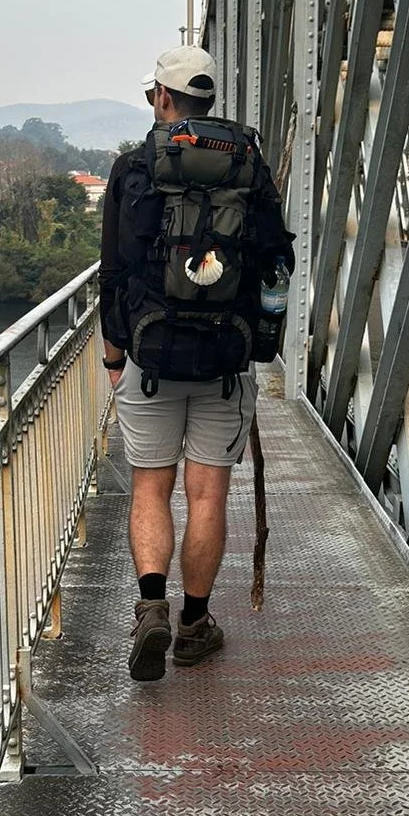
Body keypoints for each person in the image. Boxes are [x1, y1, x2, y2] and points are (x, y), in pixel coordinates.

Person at [99, 45, 293, 681]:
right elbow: (276, 262)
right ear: (208, 101)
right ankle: (193, 625)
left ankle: (151, 606)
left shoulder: (134, 168)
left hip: (149, 357)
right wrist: (265, 339)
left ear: (160, 97)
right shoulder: (249, 165)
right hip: (224, 358)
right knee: (206, 493)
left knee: (151, 486)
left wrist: (112, 356)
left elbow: (115, 271)